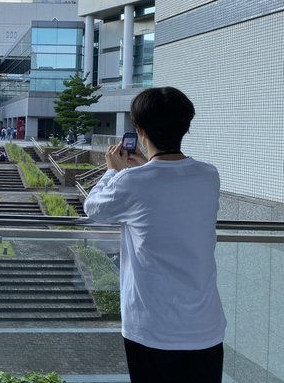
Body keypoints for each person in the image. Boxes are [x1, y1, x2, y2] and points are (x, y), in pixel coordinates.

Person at [83, 87, 226, 383]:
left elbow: (93, 208)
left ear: (140, 130)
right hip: (205, 327)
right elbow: (167, 188)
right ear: (186, 126)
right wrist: (144, 167)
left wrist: (113, 171)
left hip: (150, 328)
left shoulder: (132, 181)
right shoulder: (209, 175)